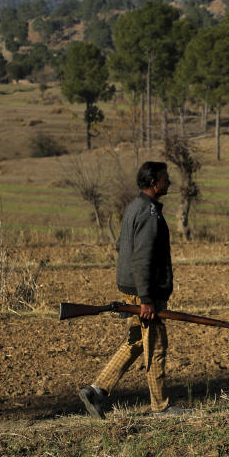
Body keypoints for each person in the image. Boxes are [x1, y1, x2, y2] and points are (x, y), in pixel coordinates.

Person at [78, 161, 186, 418]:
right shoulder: (149, 213)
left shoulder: (134, 207)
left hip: (132, 287)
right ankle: (161, 407)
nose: (169, 181)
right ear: (153, 183)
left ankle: (96, 390)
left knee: (137, 341)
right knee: (156, 345)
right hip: (143, 292)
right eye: (165, 178)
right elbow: (142, 259)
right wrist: (147, 299)